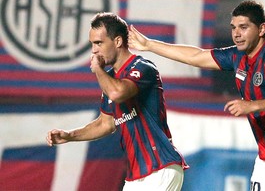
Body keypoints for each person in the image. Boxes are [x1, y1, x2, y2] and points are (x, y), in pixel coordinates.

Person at [128, 0, 265, 191]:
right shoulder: (237, 56)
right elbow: (196, 56)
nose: (236, 34)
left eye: (243, 27)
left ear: (261, 29)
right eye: (233, 27)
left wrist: (254, 105)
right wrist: (149, 45)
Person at [46, 12, 188, 191]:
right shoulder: (110, 79)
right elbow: (105, 124)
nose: (94, 50)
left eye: (99, 43)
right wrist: (69, 135)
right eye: (92, 44)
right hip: (136, 177)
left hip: (160, 168)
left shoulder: (143, 68)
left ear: (118, 41)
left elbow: (117, 92)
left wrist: (98, 69)